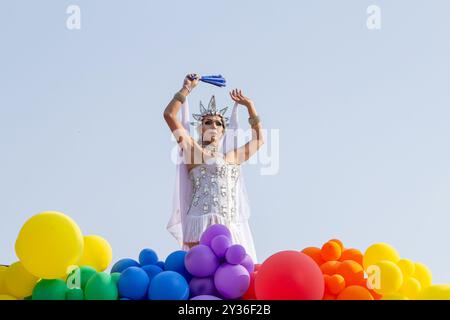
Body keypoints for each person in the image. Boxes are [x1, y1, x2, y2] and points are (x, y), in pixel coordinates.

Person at [163, 73, 264, 262]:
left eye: (219, 123)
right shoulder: (193, 150)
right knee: (202, 270)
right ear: (200, 128)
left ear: (223, 130)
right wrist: (187, 88)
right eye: (207, 122)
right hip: (201, 222)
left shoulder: (232, 157)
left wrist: (250, 106)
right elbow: (169, 115)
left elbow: (259, 140)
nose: (213, 125)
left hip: (229, 225)